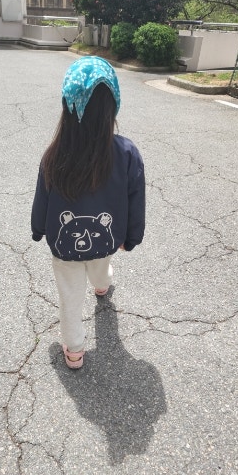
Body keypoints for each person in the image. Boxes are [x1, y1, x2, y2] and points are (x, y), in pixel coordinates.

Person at [31, 56, 145, 369]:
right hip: (105, 241)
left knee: (70, 296)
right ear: (113, 106)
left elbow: (42, 198)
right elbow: (136, 199)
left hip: (64, 244)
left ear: (67, 106)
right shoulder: (126, 153)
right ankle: (102, 285)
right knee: (100, 263)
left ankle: (75, 350)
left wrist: (39, 228)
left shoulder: (55, 154)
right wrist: (131, 237)